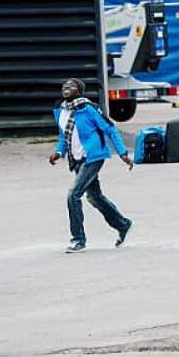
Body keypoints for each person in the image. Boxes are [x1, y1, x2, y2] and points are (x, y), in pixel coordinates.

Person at [48, 78, 134, 253]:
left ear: (79, 91)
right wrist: (58, 152)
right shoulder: (61, 110)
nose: (66, 87)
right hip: (77, 160)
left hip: (93, 157)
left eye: (71, 86)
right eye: (64, 85)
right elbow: (63, 135)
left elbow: (110, 129)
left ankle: (78, 239)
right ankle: (123, 224)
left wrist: (123, 153)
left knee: (73, 194)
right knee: (94, 197)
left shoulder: (89, 109)